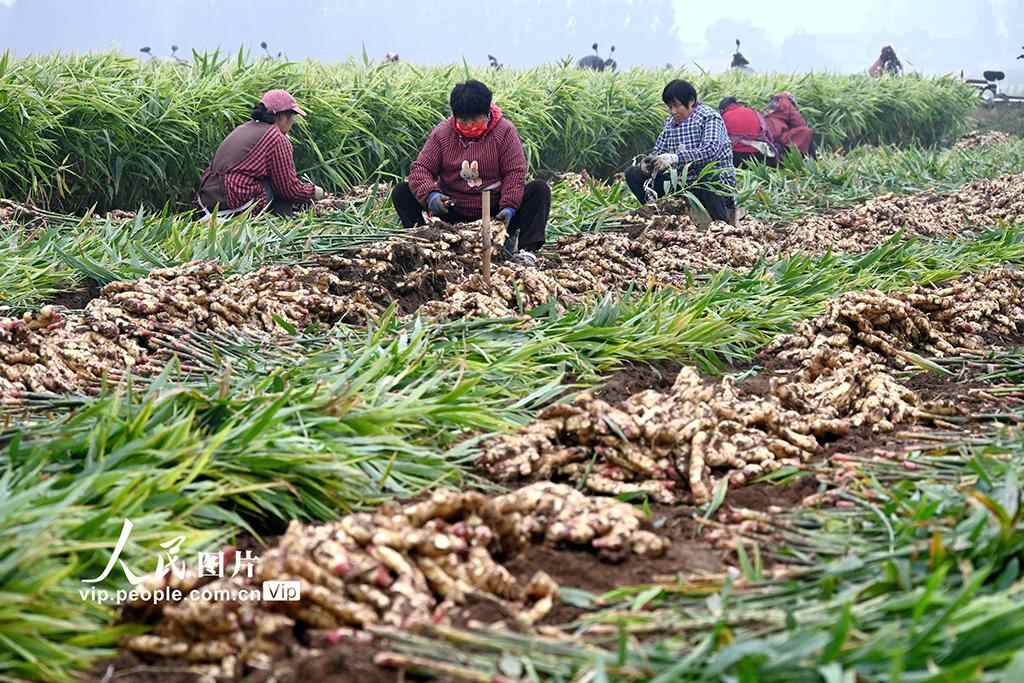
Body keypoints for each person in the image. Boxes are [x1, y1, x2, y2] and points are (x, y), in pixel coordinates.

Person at [392, 80, 550, 264]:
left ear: (488, 112)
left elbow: (514, 172)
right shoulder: (442, 134)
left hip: (495, 211)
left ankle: (525, 251)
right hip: (453, 209)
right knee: (402, 192)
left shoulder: (504, 132)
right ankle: (423, 246)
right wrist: (431, 195)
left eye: (475, 120)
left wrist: (509, 206)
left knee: (539, 190)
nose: (469, 126)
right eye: (463, 121)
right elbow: (421, 169)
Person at [624, 79, 737, 225]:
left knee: (708, 178)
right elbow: (659, 150)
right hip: (682, 182)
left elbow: (710, 150)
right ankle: (656, 214)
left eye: (677, 106)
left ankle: (721, 224)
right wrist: (649, 163)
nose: (673, 111)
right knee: (633, 174)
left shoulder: (709, 117)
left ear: (691, 102)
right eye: (670, 107)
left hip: (710, 182)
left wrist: (675, 158)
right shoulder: (670, 123)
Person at [197, 89, 324, 217]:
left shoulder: (244, 127)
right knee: (277, 186)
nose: (292, 121)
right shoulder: (276, 137)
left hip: (207, 200)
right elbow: (288, 189)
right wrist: (315, 192)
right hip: (233, 201)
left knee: (273, 179)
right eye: (292, 117)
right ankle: (284, 220)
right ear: (281, 116)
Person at [718, 97, 776, 167]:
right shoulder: (754, 112)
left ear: (723, 109)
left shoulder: (724, 116)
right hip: (759, 155)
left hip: (736, 157)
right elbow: (768, 135)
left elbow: (719, 140)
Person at [763, 92, 816, 159]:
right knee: (806, 132)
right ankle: (813, 159)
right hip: (778, 137)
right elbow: (799, 123)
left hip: (766, 136)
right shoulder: (786, 103)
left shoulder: (768, 105)